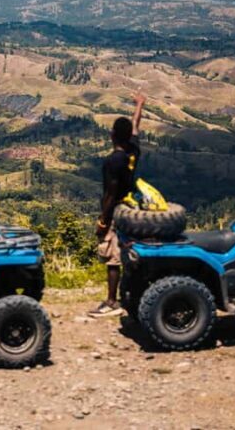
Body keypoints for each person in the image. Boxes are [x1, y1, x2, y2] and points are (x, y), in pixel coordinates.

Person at [89, 92, 146, 318]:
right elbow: (135, 127)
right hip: (132, 208)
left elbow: (110, 195)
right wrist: (139, 105)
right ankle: (131, 295)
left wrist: (103, 221)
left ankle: (112, 302)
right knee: (128, 253)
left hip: (117, 211)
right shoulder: (133, 151)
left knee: (113, 258)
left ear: (112, 135)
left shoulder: (113, 161)